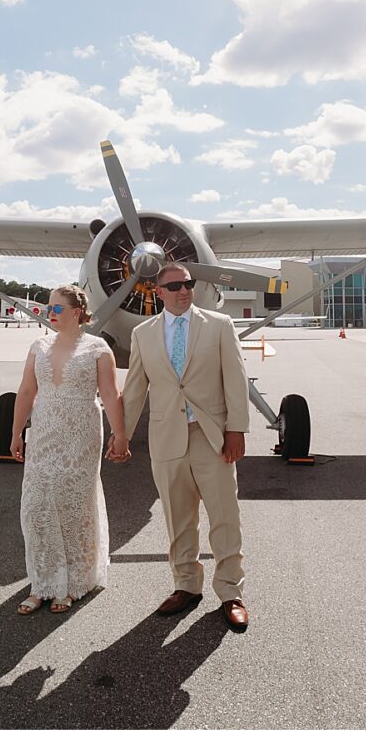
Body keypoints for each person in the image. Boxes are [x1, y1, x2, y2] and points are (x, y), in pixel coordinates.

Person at [118, 264, 251, 632]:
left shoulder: (219, 325)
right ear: (156, 292)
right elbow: (134, 390)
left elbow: (236, 380)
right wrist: (122, 436)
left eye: (188, 284)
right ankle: (186, 586)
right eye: (174, 286)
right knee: (178, 518)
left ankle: (230, 591)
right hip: (167, 436)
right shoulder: (143, 333)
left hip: (211, 435)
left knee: (225, 515)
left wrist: (236, 429)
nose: (184, 290)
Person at [9, 284, 129, 614]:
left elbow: (110, 395)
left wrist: (120, 436)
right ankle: (42, 583)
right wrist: (17, 432)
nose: (50, 312)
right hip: (44, 433)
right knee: (36, 507)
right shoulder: (38, 345)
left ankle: (75, 582)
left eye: (57, 308)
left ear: (77, 312)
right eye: (49, 307)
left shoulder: (98, 348)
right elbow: (25, 392)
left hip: (81, 436)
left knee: (73, 506)